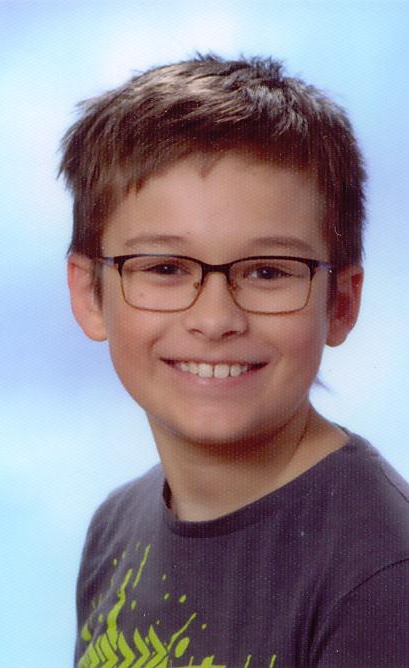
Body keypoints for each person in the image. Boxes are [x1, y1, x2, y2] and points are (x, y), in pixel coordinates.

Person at [60, 54, 409, 668]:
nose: (216, 318)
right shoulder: (115, 530)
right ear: (90, 295)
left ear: (341, 303)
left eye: (268, 272)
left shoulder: (380, 575)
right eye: (165, 268)